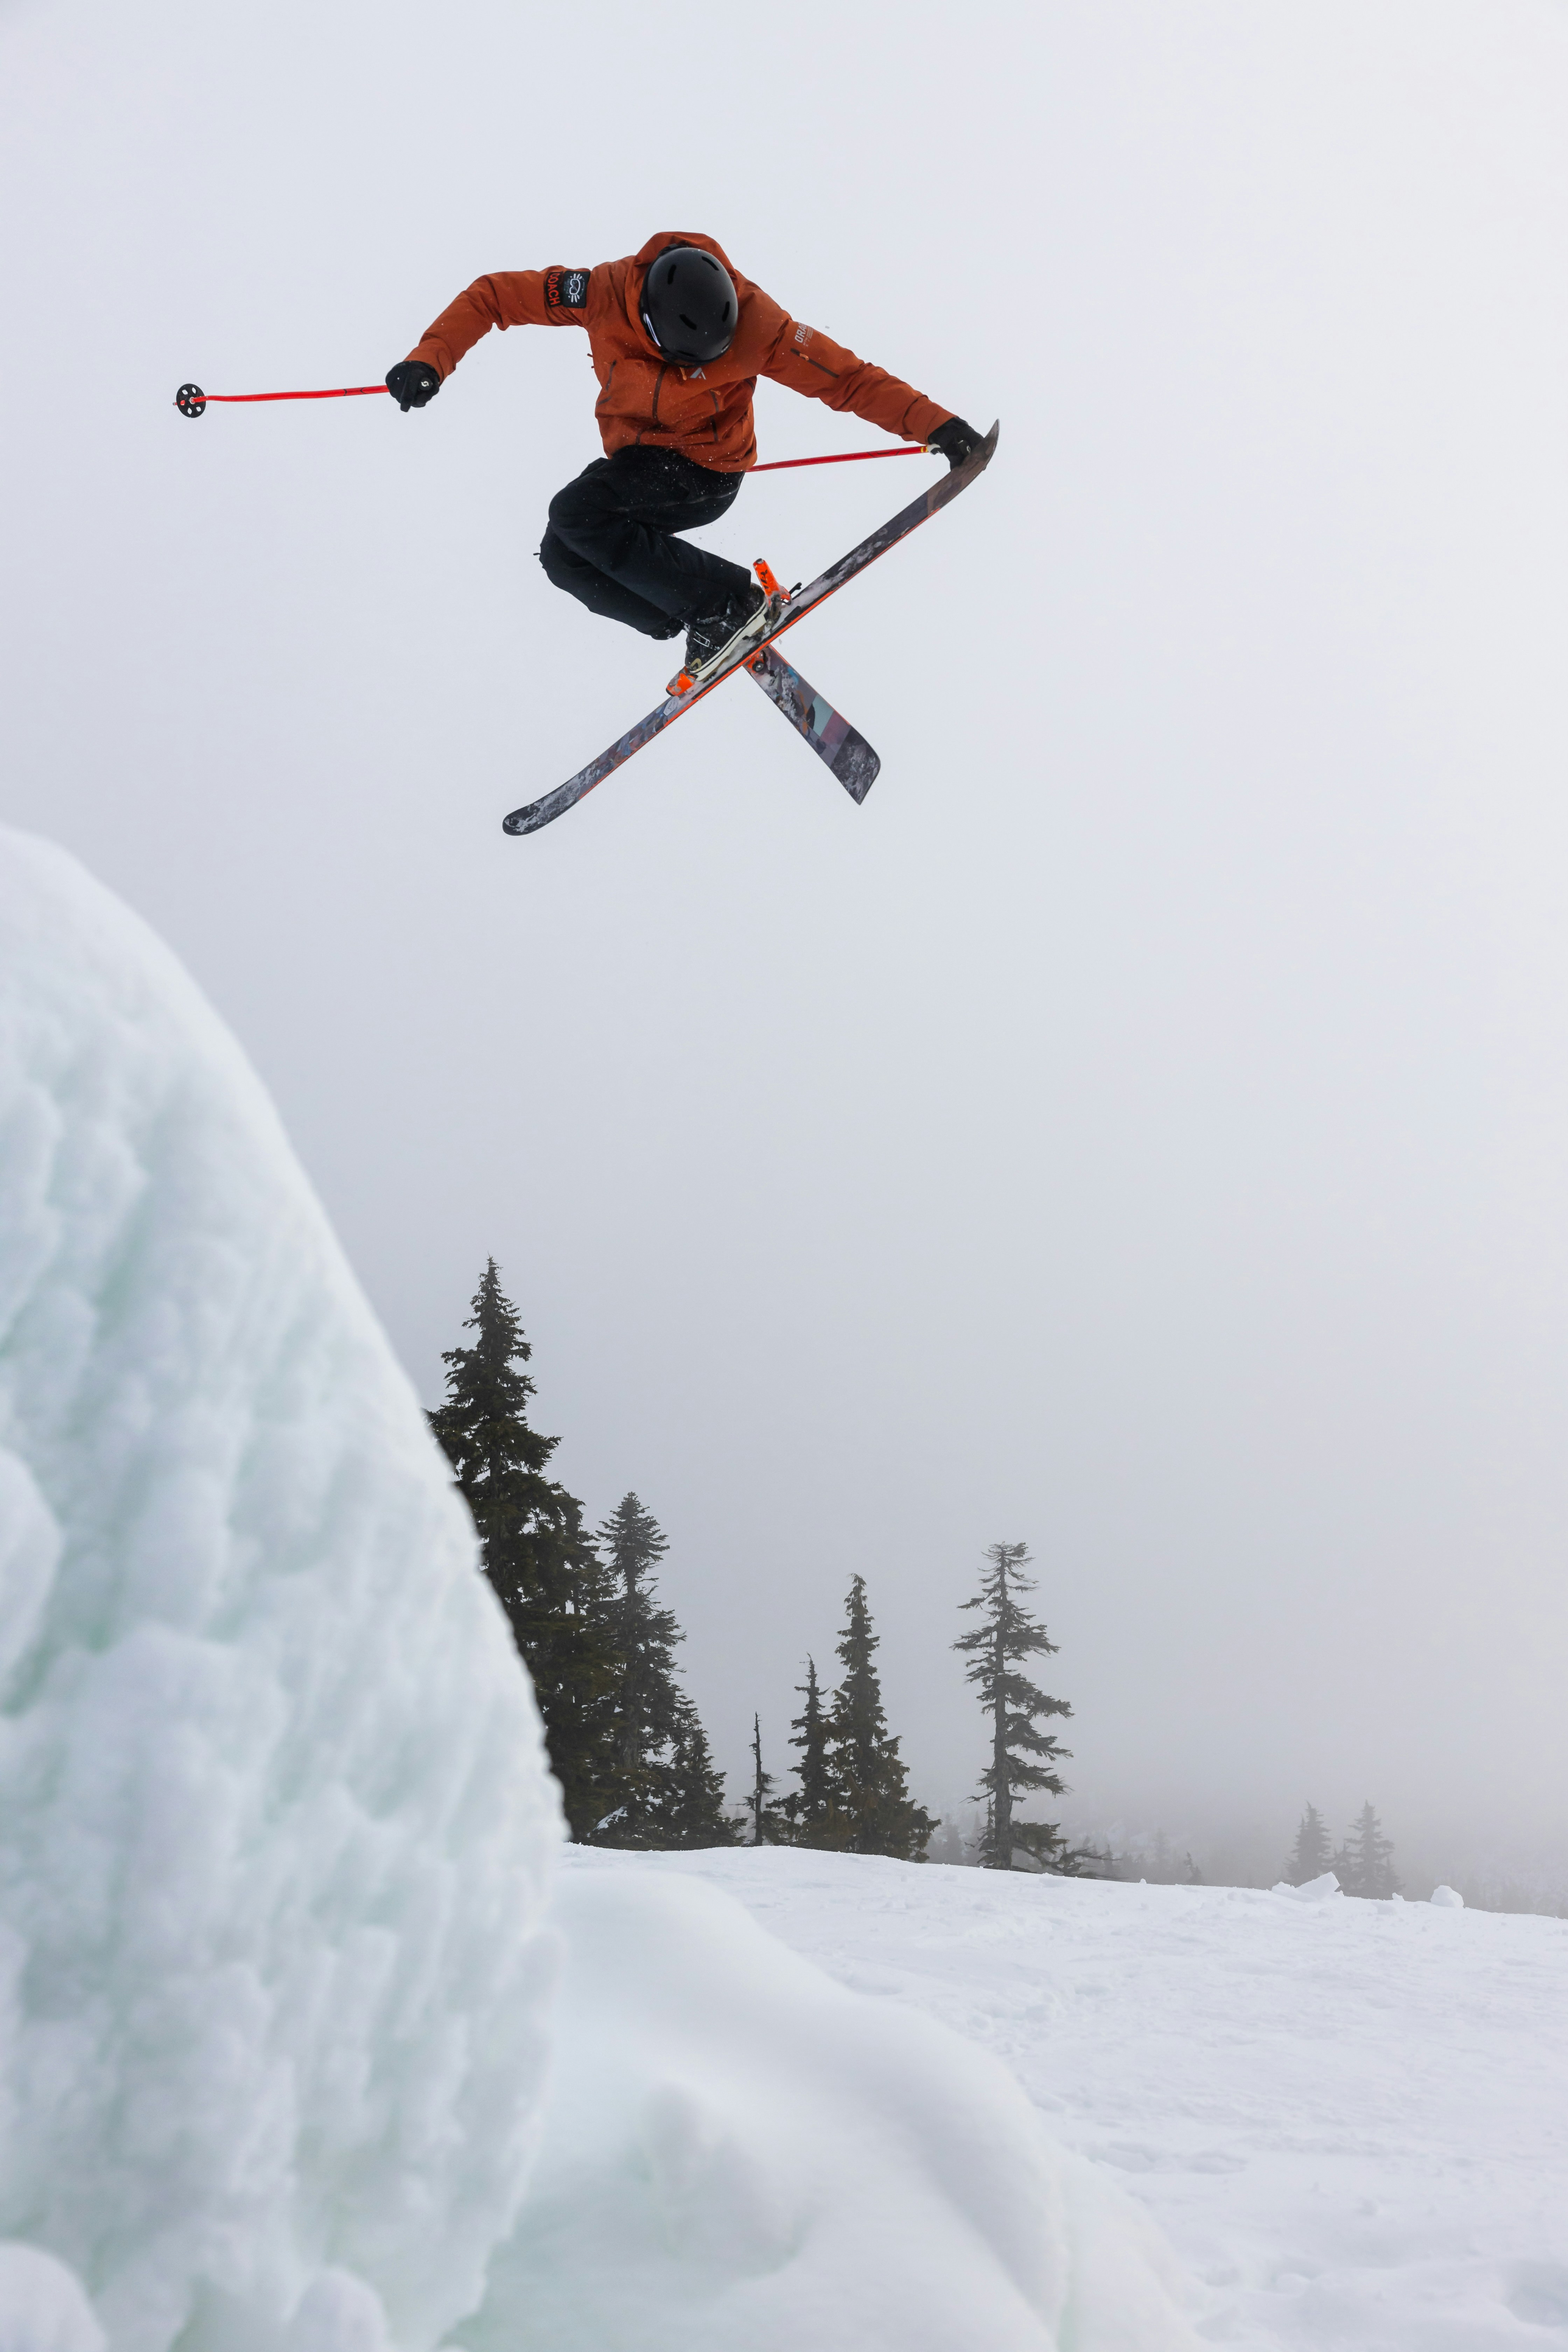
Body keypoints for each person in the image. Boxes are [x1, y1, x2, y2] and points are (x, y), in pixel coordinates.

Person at [387, 231, 982, 680]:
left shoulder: (763, 327)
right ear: (648, 322)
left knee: (578, 514)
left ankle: (728, 603)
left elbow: (848, 380)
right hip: (637, 463)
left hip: (707, 470)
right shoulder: (601, 293)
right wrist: (429, 359)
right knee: (563, 558)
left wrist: (940, 426)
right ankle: (690, 620)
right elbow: (494, 297)